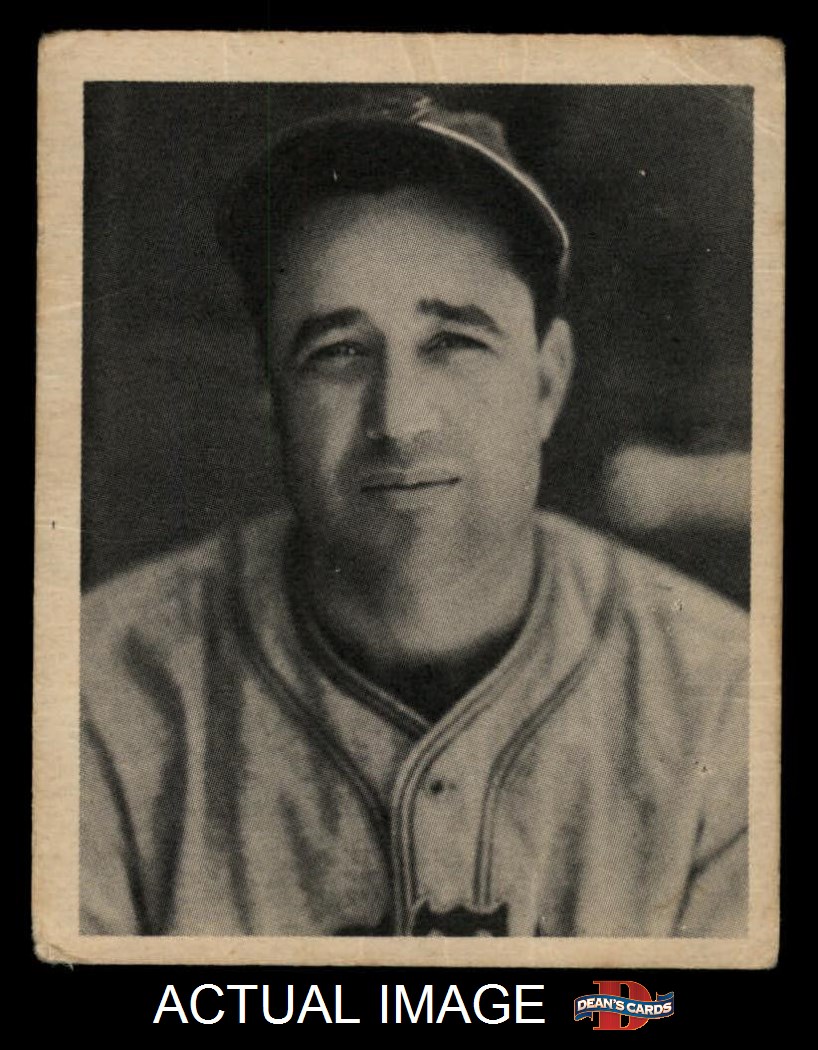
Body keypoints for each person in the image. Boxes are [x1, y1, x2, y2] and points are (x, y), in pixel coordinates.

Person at [80, 90, 748, 938]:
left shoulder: (725, 702)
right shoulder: (99, 692)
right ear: (273, 396)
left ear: (546, 384)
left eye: (455, 343)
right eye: (339, 352)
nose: (398, 420)